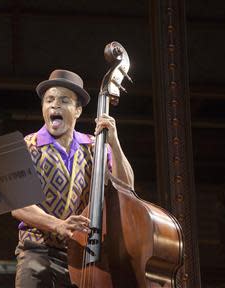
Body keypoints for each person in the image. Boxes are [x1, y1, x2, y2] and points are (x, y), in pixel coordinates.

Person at [12, 69, 134, 287]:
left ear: (77, 110)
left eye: (63, 100)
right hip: (38, 251)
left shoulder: (95, 146)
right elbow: (19, 206)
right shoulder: (27, 145)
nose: (54, 105)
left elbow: (127, 187)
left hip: (84, 255)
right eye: (49, 100)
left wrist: (114, 143)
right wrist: (58, 224)